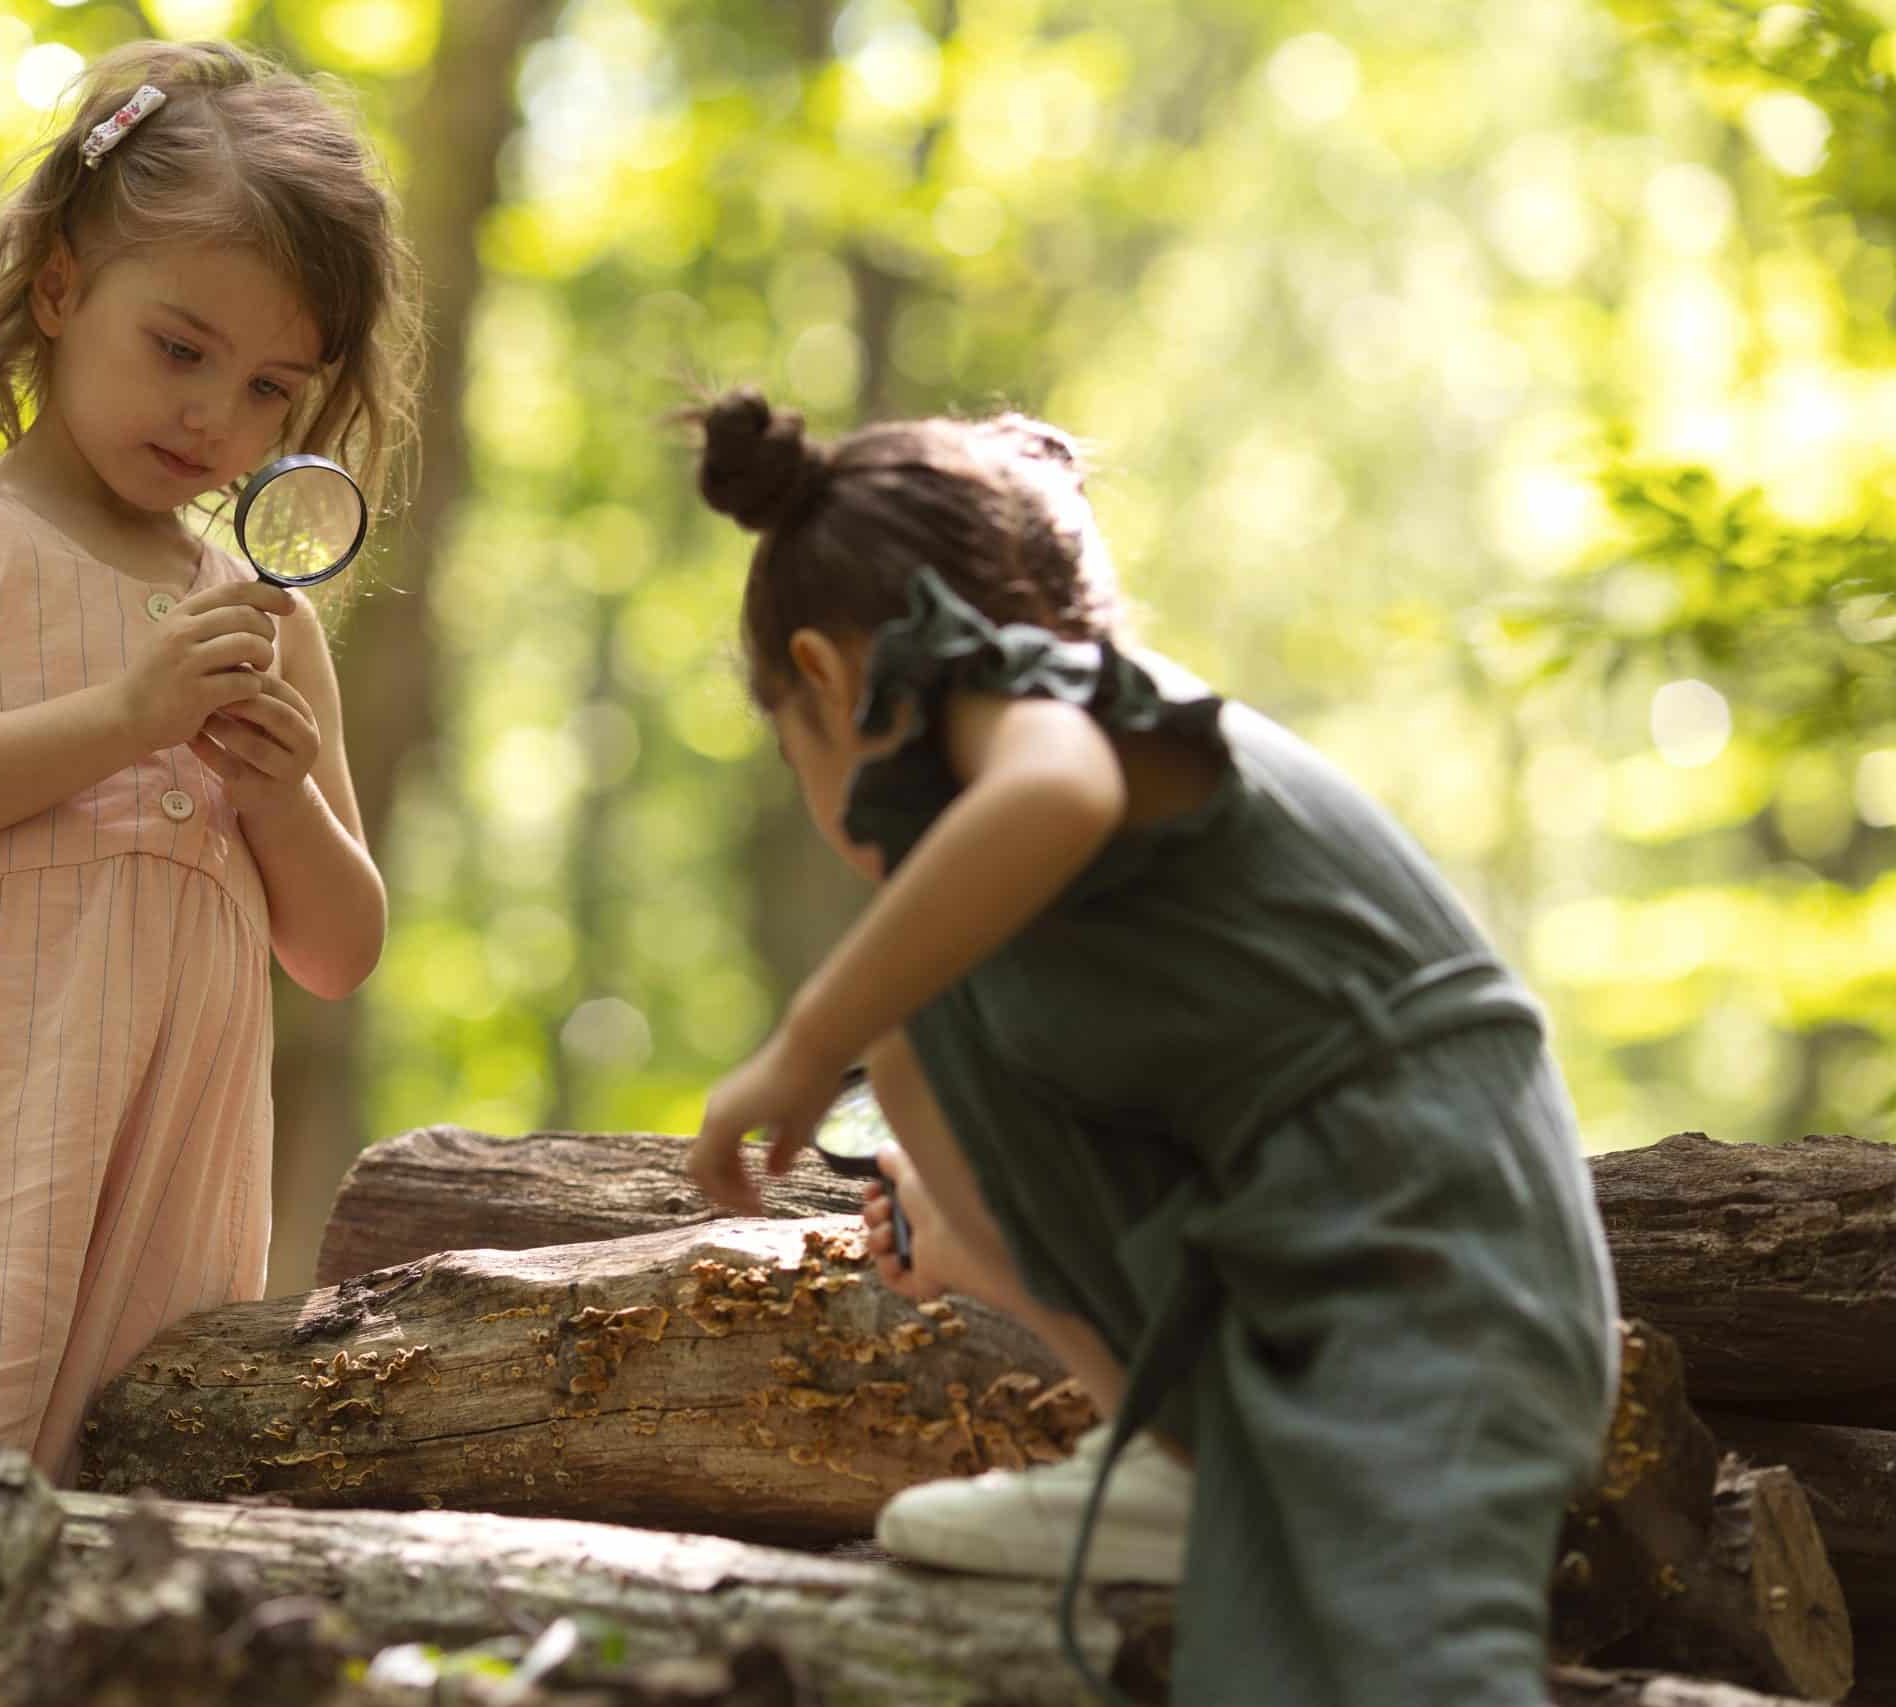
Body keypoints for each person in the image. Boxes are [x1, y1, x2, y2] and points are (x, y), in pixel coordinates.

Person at [682, 389, 1619, 1705]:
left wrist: (800, 1043)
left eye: (794, 754)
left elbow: (1055, 793)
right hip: (1331, 1247)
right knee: (922, 1024)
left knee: (1414, 1663)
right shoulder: (1055, 862)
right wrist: (984, 1242)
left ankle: (1182, 1471)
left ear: (826, 681)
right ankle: (1172, 1463)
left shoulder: (1032, 697)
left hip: (1442, 1264)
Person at [0, 40, 417, 1485]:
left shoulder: (265, 621)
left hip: (178, 1169)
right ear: (63, 289)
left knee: (135, 1505)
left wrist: (280, 793)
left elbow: (339, 947)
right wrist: (123, 719)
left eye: (271, 390)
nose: (215, 417)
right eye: (181, 349)